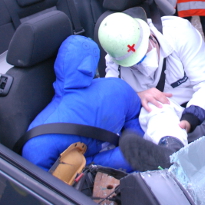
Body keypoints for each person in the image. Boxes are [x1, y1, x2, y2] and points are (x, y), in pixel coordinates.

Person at [97, 11, 205, 170]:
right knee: (155, 108)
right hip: (168, 124)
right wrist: (137, 96)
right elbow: (112, 101)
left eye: (144, 53)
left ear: (149, 34)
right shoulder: (114, 61)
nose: (142, 63)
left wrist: (192, 116)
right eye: (134, 62)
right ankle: (170, 155)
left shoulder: (179, 31)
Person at [22, 35, 144, 172]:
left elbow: (44, 184)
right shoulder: (119, 87)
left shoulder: (38, 141)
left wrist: (88, 166)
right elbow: (135, 117)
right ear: (91, 66)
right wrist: (130, 152)